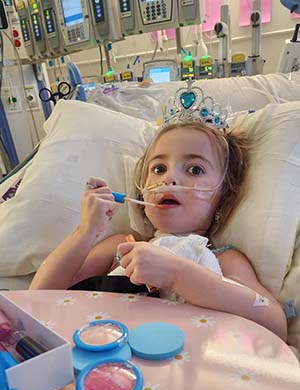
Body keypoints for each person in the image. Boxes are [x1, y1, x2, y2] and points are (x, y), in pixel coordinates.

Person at [29, 120, 287, 341]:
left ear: (223, 195)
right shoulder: (121, 247)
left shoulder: (224, 258)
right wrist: (85, 231)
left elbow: (275, 325)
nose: (169, 178)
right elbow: (37, 299)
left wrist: (177, 274)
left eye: (195, 169)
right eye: (159, 169)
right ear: (142, 189)